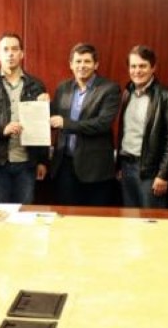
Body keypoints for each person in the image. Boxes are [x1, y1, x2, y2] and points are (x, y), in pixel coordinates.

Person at [0, 32, 49, 204]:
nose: (10, 54)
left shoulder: (36, 85)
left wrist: (42, 161)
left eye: (15, 49)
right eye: (5, 49)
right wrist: (1, 130)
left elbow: (43, 126)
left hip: (27, 163)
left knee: (24, 213)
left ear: (22, 54)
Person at [50, 43, 120, 206]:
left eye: (87, 61)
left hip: (95, 168)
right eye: (78, 61)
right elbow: (53, 119)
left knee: (94, 217)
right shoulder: (63, 88)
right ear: (71, 64)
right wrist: (43, 105)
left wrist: (66, 123)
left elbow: (102, 124)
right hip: (65, 165)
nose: (82, 66)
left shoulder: (109, 89)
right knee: (66, 215)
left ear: (96, 65)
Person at [116, 45, 168, 208]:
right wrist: (119, 166)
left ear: (153, 67)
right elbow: (124, 132)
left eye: (142, 66)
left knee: (150, 219)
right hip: (126, 166)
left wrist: (163, 174)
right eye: (133, 66)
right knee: (129, 218)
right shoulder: (127, 93)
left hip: (150, 172)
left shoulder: (165, 96)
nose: (137, 71)